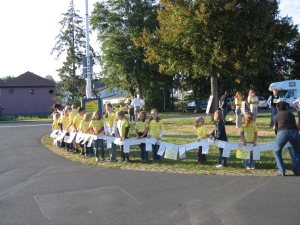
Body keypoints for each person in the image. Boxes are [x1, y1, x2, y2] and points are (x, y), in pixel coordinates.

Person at [273, 101, 300, 176]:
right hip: (294, 132)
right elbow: (295, 124)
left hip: (282, 133)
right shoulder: (291, 114)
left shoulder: (276, 116)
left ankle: (282, 171)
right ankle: (297, 170)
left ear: (278, 109)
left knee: (277, 151)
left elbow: (276, 128)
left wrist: (277, 136)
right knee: (298, 151)